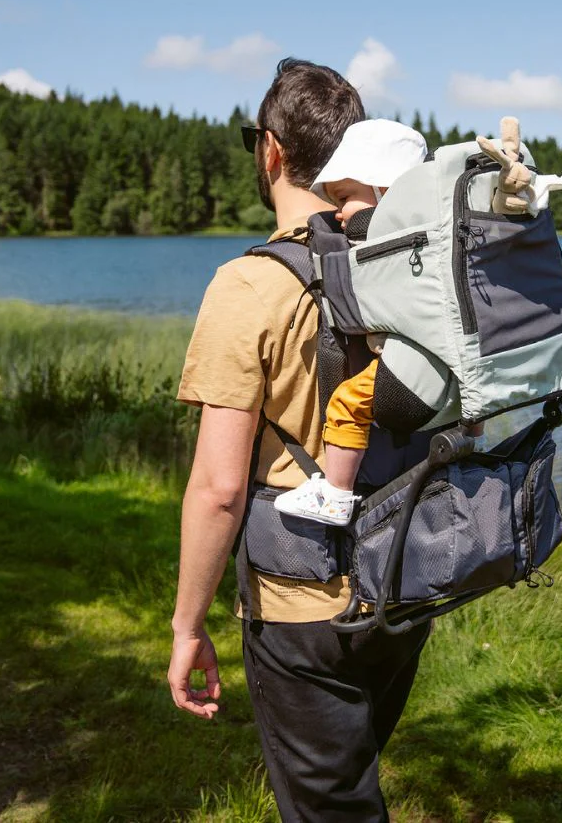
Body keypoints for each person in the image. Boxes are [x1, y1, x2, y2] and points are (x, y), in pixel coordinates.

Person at [168, 59, 431, 823]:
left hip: (301, 608)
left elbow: (219, 489)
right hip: (405, 584)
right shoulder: (407, 267)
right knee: (353, 785)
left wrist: (188, 626)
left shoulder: (248, 286)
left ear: (271, 150)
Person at [274, 119, 429, 526]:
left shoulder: (389, 246)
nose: (336, 212)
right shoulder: (433, 236)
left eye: (344, 197)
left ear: (387, 192)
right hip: (452, 366)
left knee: (345, 403)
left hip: (414, 363)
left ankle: (337, 494)